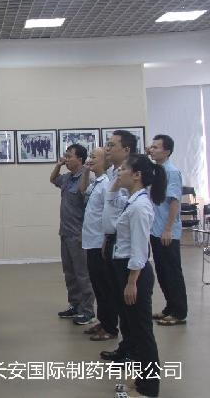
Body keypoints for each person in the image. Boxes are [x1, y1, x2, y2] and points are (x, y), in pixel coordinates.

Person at [110, 154, 165, 397]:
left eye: (123, 169)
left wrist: (132, 282)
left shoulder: (141, 207)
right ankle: (142, 378)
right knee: (133, 330)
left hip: (135, 274)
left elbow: (140, 249)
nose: (118, 172)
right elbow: (111, 200)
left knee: (142, 332)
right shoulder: (132, 200)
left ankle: (149, 387)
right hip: (126, 270)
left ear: (137, 175)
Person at [100, 129, 136, 362]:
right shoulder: (114, 173)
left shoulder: (132, 175)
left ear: (126, 150)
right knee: (117, 298)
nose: (107, 149)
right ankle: (126, 345)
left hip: (125, 245)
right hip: (112, 240)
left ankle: (132, 350)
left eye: (112, 145)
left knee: (129, 304)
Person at [50, 144, 95, 325]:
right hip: (65, 232)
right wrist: (58, 165)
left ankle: (88, 311)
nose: (66, 159)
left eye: (69, 156)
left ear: (80, 159)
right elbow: (53, 179)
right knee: (69, 273)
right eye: (66, 156)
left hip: (79, 234)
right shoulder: (67, 178)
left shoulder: (87, 179)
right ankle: (75, 305)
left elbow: (89, 206)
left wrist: (85, 233)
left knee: (82, 274)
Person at [147, 134, 188, 326]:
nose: (152, 149)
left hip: (166, 230)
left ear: (167, 151)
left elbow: (174, 201)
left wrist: (168, 228)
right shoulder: (156, 170)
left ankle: (179, 312)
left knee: (172, 271)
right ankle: (169, 307)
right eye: (152, 146)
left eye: (156, 147)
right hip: (155, 229)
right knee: (162, 271)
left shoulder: (172, 172)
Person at [78, 146, 118, 341]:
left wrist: (105, 240)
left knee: (104, 287)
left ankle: (110, 327)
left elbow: (109, 216)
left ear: (105, 161)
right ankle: (103, 321)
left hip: (99, 242)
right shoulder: (97, 182)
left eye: (94, 157)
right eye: (90, 156)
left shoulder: (106, 185)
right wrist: (86, 171)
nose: (90, 159)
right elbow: (82, 190)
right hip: (90, 241)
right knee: (97, 286)